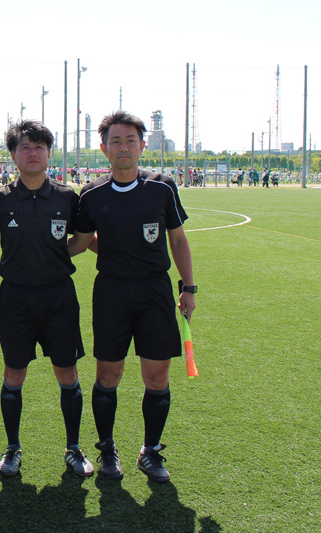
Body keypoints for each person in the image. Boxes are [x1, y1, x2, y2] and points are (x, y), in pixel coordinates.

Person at [68, 111, 196, 483]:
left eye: (130, 141)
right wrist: (41, 247)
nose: (123, 148)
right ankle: (107, 449)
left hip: (155, 290)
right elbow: (81, 242)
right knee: (108, 373)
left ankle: (150, 451)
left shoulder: (162, 187)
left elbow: (177, 239)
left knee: (157, 374)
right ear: (104, 148)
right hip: (111, 291)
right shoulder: (92, 194)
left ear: (142, 145)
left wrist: (188, 288)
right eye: (115, 141)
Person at [0, 120, 93, 477]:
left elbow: (84, 240)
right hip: (15, 298)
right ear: (13, 156)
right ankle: (12, 448)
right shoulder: (0, 200)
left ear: (49, 154)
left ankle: (73, 448)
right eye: (25, 147)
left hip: (59, 297)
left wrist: (56, 256)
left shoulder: (68, 198)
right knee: (14, 372)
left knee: (67, 371)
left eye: (39, 147)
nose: (32, 153)